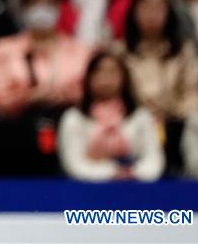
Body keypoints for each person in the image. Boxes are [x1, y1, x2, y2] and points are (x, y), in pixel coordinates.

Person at [0, 0, 92, 118]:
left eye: (49, 3)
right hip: (20, 124)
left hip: (69, 121)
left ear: (59, 7)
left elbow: (91, 92)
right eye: (36, 2)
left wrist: (61, 95)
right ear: (25, 7)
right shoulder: (4, 48)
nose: (42, 8)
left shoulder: (81, 50)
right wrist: (29, 98)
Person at [57, 51, 164, 181]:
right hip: (86, 193)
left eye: (112, 72)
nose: (105, 78)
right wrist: (111, 173)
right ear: (88, 78)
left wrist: (134, 174)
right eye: (99, 72)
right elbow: (74, 165)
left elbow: (154, 161)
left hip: (136, 190)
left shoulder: (140, 117)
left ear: (124, 77)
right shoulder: (74, 118)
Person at [112, 0, 198, 122]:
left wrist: (172, 118)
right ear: (133, 12)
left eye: (158, 8)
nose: (151, 14)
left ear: (169, 12)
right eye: (145, 7)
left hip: (176, 124)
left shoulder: (184, 52)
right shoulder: (118, 52)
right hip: (131, 126)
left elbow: (193, 94)